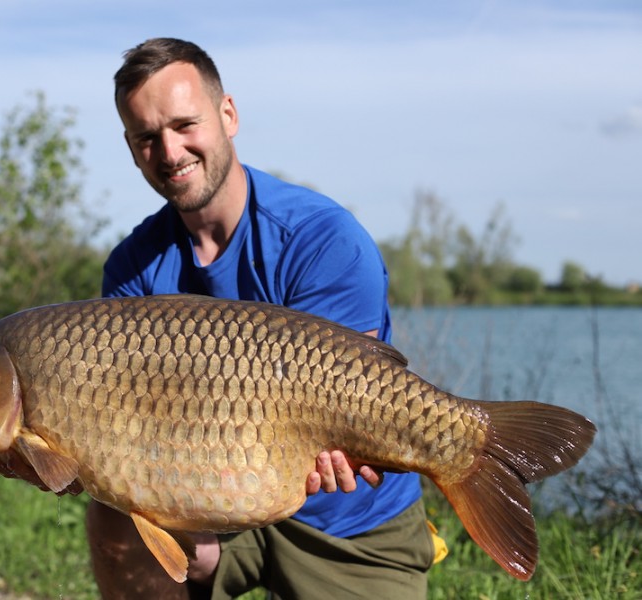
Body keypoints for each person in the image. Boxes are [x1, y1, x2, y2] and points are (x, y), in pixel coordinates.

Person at [86, 37, 435, 599]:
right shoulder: (133, 268)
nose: (170, 151)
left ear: (228, 115)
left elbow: (350, 401)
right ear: (130, 147)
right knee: (114, 517)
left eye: (185, 125)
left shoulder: (322, 239)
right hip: (206, 507)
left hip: (345, 522)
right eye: (147, 137)